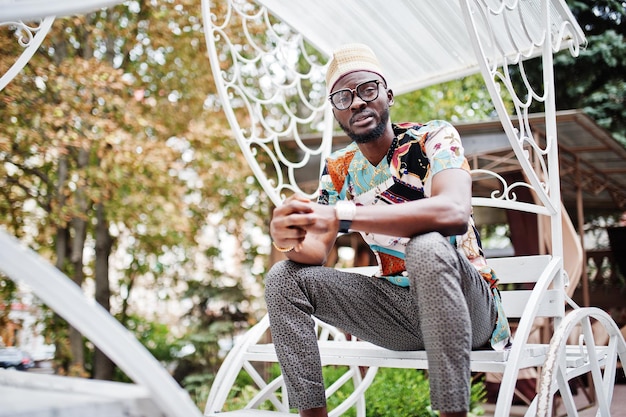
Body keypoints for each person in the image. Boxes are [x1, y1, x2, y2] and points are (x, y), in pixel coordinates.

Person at [265, 43, 510, 417]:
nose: (358, 103)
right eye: (344, 97)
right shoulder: (338, 170)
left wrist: (345, 215)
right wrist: (288, 239)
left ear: (388, 95)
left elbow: (454, 211)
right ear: (336, 112)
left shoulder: (433, 138)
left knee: (426, 246)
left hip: (469, 309)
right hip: (400, 315)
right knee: (284, 277)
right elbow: (314, 253)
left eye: (367, 90)